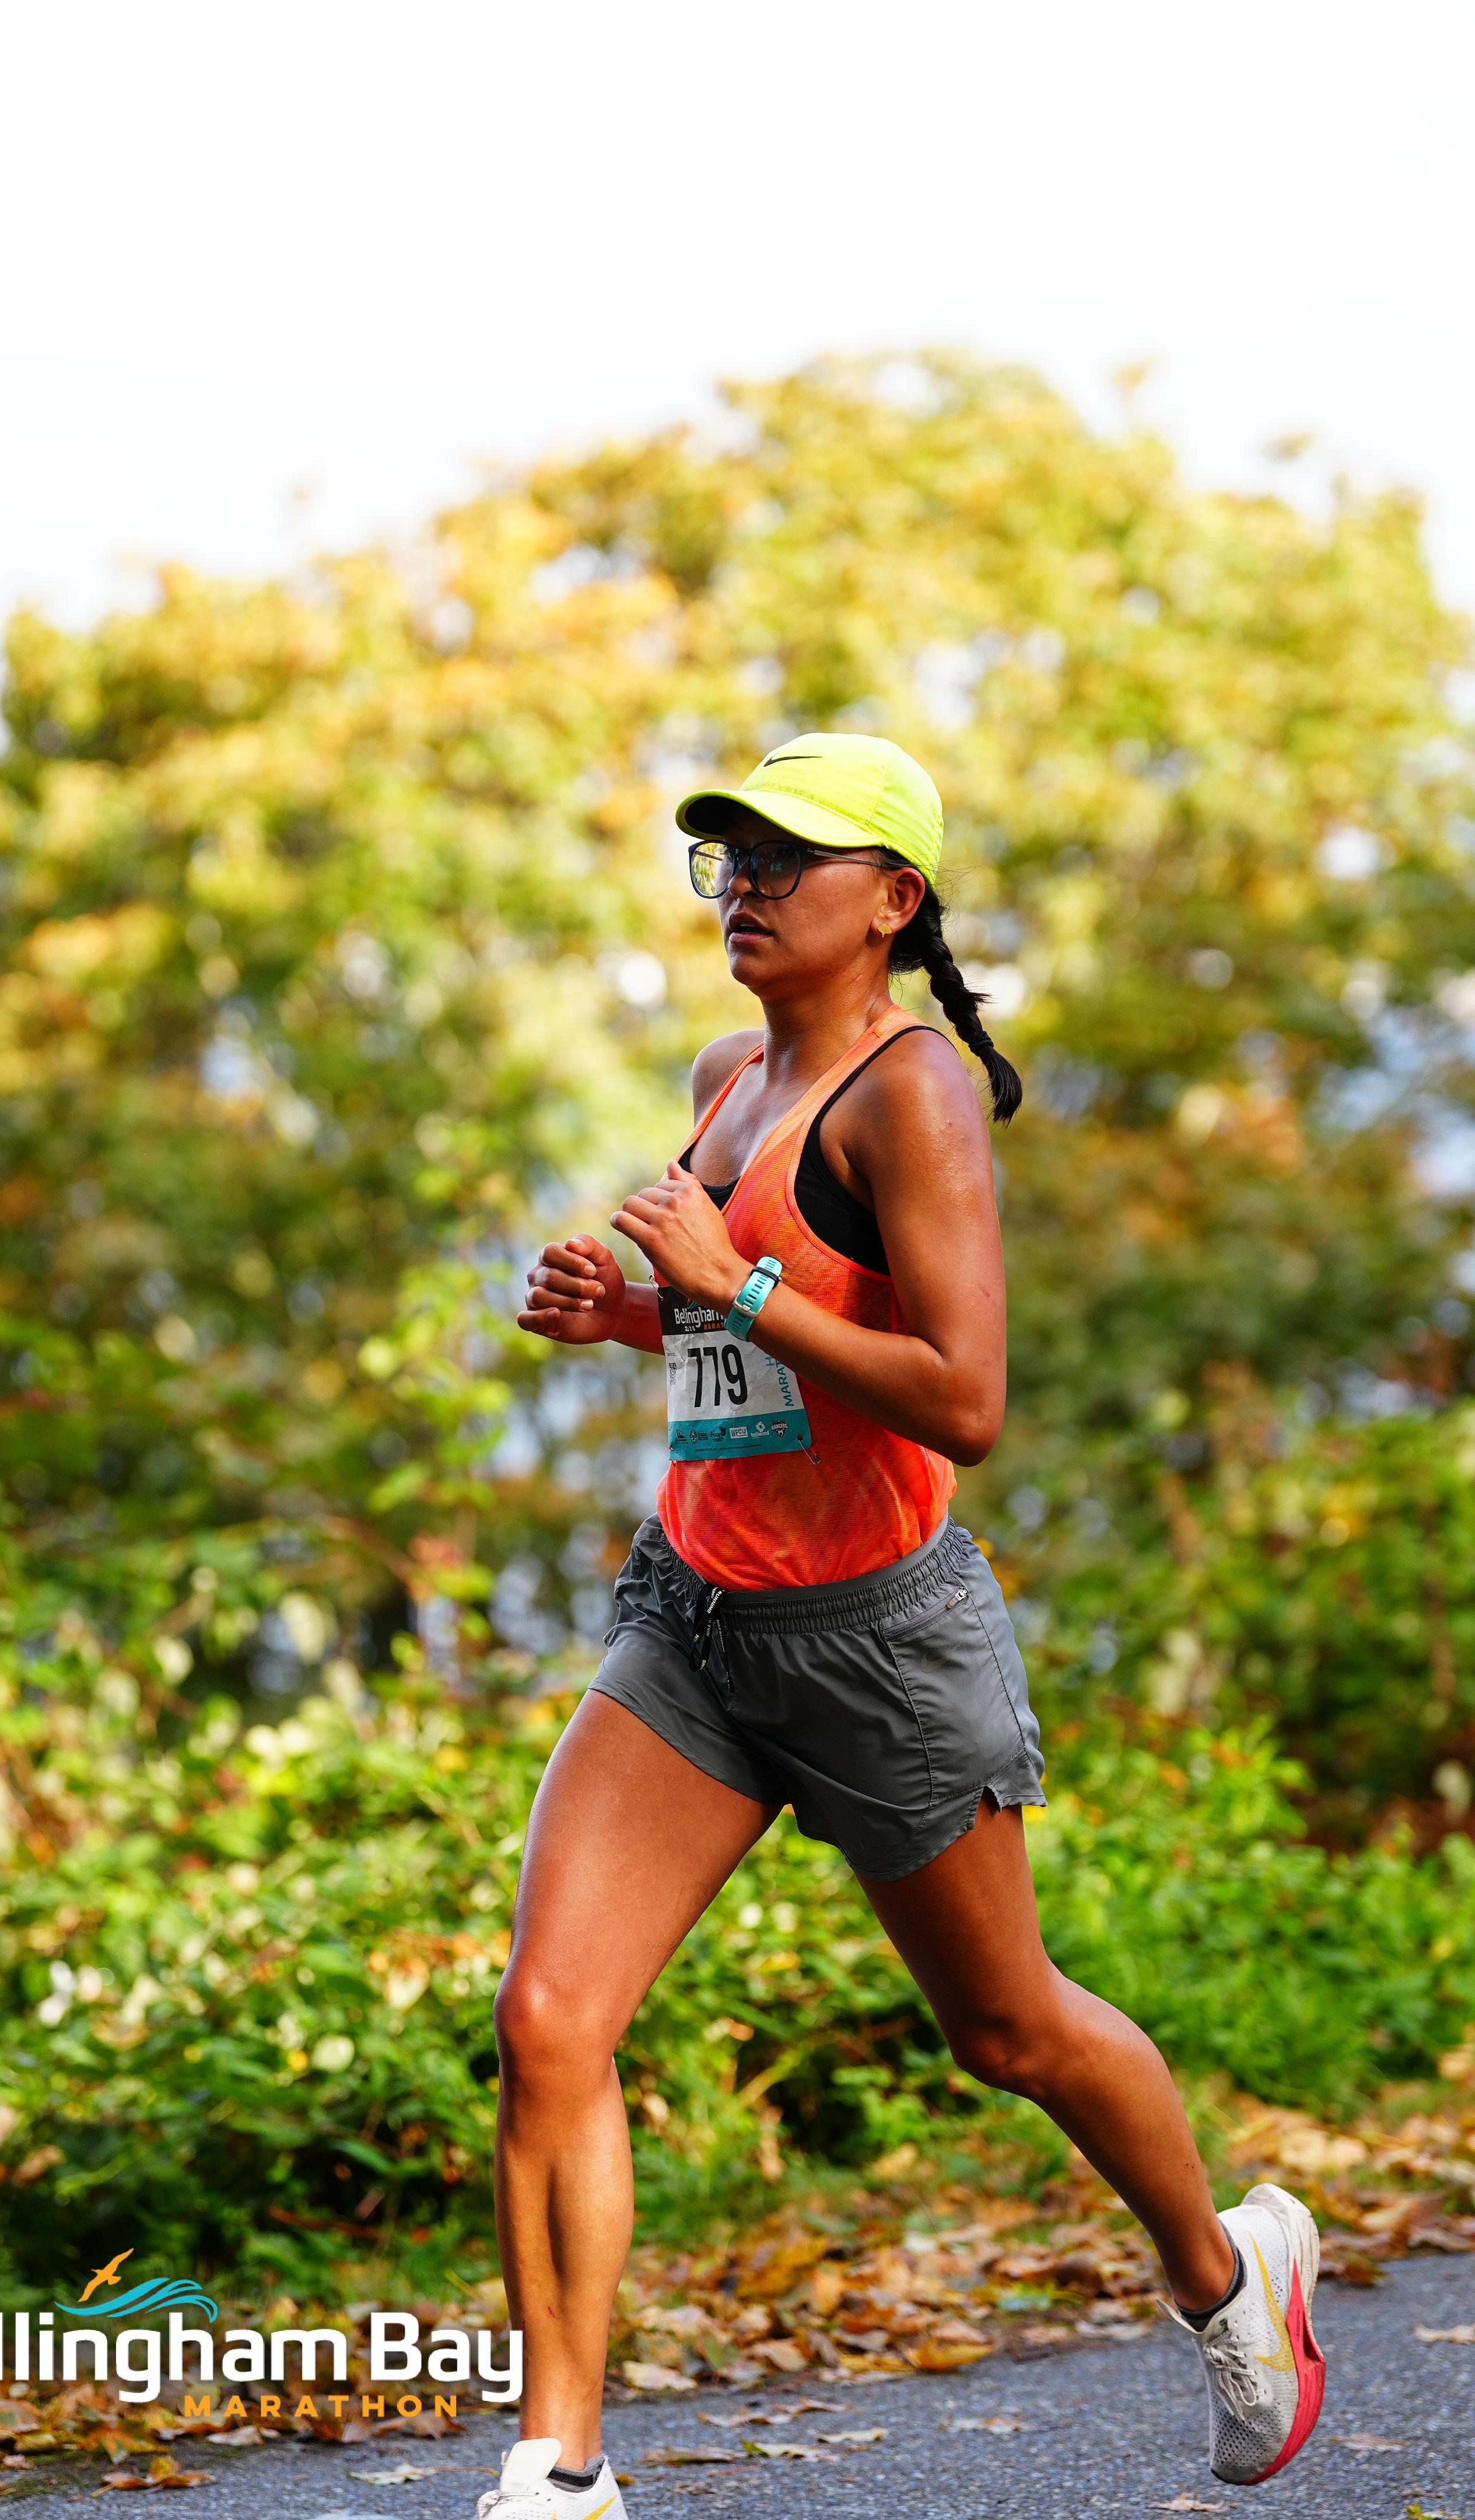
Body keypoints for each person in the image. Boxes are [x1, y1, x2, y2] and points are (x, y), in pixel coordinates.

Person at [480, 734, 1323, 2519]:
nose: (747, 887)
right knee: (550, 2018)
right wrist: (630, 1320)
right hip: (697, 1621)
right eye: (730, 856)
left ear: (894, 899)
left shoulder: (911, 1093)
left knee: (1008, 2032)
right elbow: (755, 1358)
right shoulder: (728, 1076)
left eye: (788, 858)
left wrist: (728, 1283)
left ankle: (1228, 2273)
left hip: (879, 1642)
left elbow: (961, 1397)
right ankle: (557, 2468)